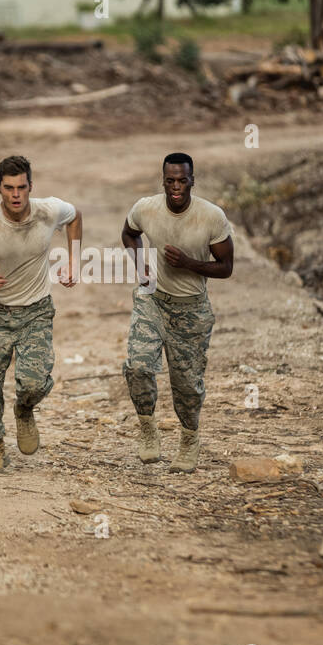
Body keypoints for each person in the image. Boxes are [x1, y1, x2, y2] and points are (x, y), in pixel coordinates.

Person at [0, 155, 81, 474]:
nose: (16, 195)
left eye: (22, 187)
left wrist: (74, 260)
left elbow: (75, 216)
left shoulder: (48, 210)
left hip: (36, 312)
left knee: (34, 382)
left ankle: (24, 409)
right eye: (9, 188)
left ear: (30, 187)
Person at [120, 152, 233, 473]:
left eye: (182, 180)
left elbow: (226, 267)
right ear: (163, 180)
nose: (176, 187)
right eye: (170, 181)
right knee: (139, 366)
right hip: (152, 300)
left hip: (192, 309)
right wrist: (140, 261)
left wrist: (189, 264)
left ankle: (188, 437)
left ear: (192, 180)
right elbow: (129, 232)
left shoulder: (212, 217)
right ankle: (147, 427)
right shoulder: (146, 208)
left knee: (187, 384)